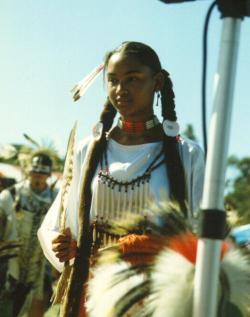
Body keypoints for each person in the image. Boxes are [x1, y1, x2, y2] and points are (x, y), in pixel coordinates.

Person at [38, 41, 205, 316]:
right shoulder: (88, 150)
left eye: (133, 79)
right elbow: (57, 224)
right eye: (113, 81)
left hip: (158, 295)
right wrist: (64, 245)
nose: (120, 90)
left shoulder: (186, 154)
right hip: (94, 294)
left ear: (158, 82)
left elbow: (200, 231)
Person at [0, 153, 57, 317]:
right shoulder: (10, 195)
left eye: (42, 173)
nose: (37, 176)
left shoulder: (57, 200)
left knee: (35, 309)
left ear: (49, 174)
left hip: (40, 267)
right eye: (35, 171)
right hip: (10, 264)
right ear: (28, 171)